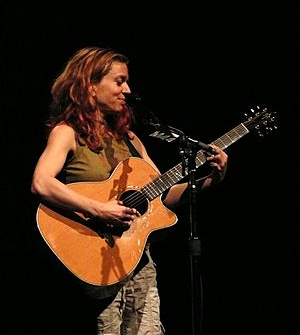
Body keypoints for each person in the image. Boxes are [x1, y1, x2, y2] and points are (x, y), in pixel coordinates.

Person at [31, 46, 228, 335]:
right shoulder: (68, 132)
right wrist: (99, 209)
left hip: (138, 261)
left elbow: (163, 196)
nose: (127, 89)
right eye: (119, 81)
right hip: (95, 259)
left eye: (127, 81)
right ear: (90, 85)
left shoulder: (131, 139)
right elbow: (41, 182)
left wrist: (213, 178)